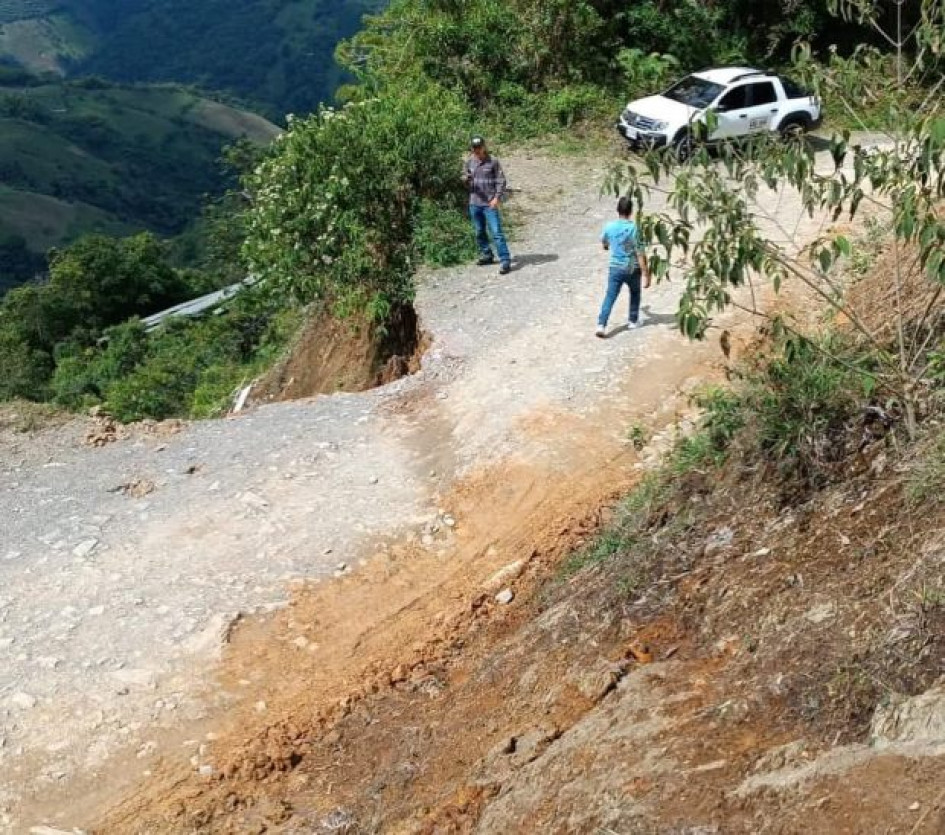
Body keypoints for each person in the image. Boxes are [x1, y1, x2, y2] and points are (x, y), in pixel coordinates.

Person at [596, 196, 650, 337]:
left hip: (615, 268)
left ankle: (601, 324)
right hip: (632, 267)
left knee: (610, 296)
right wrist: (646, 273)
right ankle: (633, 321)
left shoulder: (610, 226)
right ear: (631, 211)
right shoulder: (635, 228)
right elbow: (640, 252)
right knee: (635, 293)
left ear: (617, 210)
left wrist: (606, 246)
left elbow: (604, 241)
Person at [462, 136, 512, 275]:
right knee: (479, 232)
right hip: (474, 203)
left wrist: (496, 198)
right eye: (474, 148)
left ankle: (505, 260)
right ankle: (487, 255)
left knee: (496, 233)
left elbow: (501, 181)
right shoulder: (469, 162)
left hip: (489, 203)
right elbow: (464, 179)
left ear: (484, 147)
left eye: (479, 147)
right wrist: (466, 179)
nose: (477, 150)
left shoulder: (493, 162)